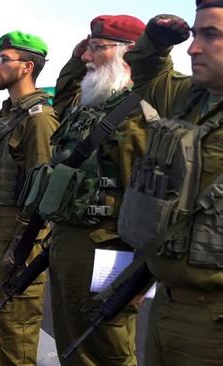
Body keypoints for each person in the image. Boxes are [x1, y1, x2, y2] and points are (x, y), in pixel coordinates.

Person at [26, 15, 153, 366]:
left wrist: (141, 278)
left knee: (107, 348)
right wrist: (76, 52)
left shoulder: (138, 114)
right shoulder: (90, 105)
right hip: (69, 239)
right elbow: (66, 90)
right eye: (88, 48)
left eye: (97, 48)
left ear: (127, 54)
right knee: (71, 341)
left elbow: (152, 202)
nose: (86, 57)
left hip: (109, 248)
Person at [118, 3, 223, 364]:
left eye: (211, 35)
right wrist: (156, 42)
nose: (194, 48)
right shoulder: (190, 98)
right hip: (167, 307)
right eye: (195, 35)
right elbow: (144, 74)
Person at [0, 31, 58, 366]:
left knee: (14, 326)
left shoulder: (40, 119)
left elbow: (44, 190)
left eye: (5, 60)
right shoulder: (8, 115)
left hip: (18, 235)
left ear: (27, 67)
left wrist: (22, 245)